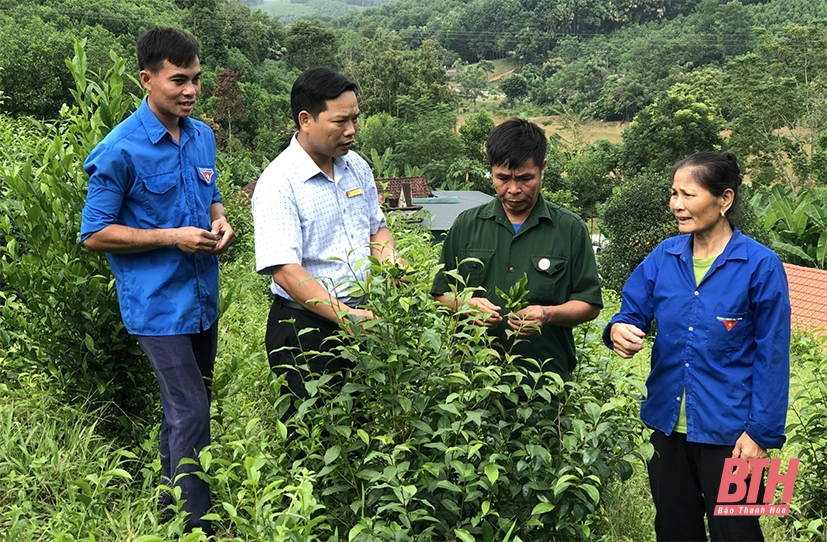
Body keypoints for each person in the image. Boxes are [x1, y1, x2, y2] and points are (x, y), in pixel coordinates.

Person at [81, 27, 233, 535]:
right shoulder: (120, 149)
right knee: (190, 409)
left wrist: (219, 219)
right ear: (147, 79)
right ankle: (198, 526)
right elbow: (95, 233)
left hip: (201, 300)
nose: (190, 91)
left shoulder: (202, 134)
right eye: (177, 81)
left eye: (195, 80)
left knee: (188, 409)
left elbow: (209, 195)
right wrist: (172, 237)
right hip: (157, 306)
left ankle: (171, 509)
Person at [603, 152, 790, 541]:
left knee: (740, 534)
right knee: (674, 530)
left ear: (724, 199)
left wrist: (762, 435)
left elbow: (773, 355)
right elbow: (630, 311)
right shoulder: (664, 256)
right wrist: (619, 328)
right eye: (674, 194)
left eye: (688, 195)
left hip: (738, 436)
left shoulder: (762, 265)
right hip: (667, 429)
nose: (676, 205)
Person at [252, 67, 400, 420]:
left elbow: (376, 229)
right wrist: (344, 316)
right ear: (305, 120)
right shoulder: (279, 183)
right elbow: (285, 272)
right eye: (340, 122)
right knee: (317, 440)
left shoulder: (356, 167)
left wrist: (390, 263)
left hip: (364, 320)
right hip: (306, 330)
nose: (351, 130)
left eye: (355, 119)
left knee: (365, 428)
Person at [430, 118, 603, 380]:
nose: (513, 189)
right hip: (472, 381)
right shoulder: (467, 225)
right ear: (491, 171)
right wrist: (465, 304)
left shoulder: (569, 229)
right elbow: (440, 294)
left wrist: (546, 314)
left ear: (542, 168)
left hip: (544, 381)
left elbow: (589, 304)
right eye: (502, 178)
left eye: (525, 178)